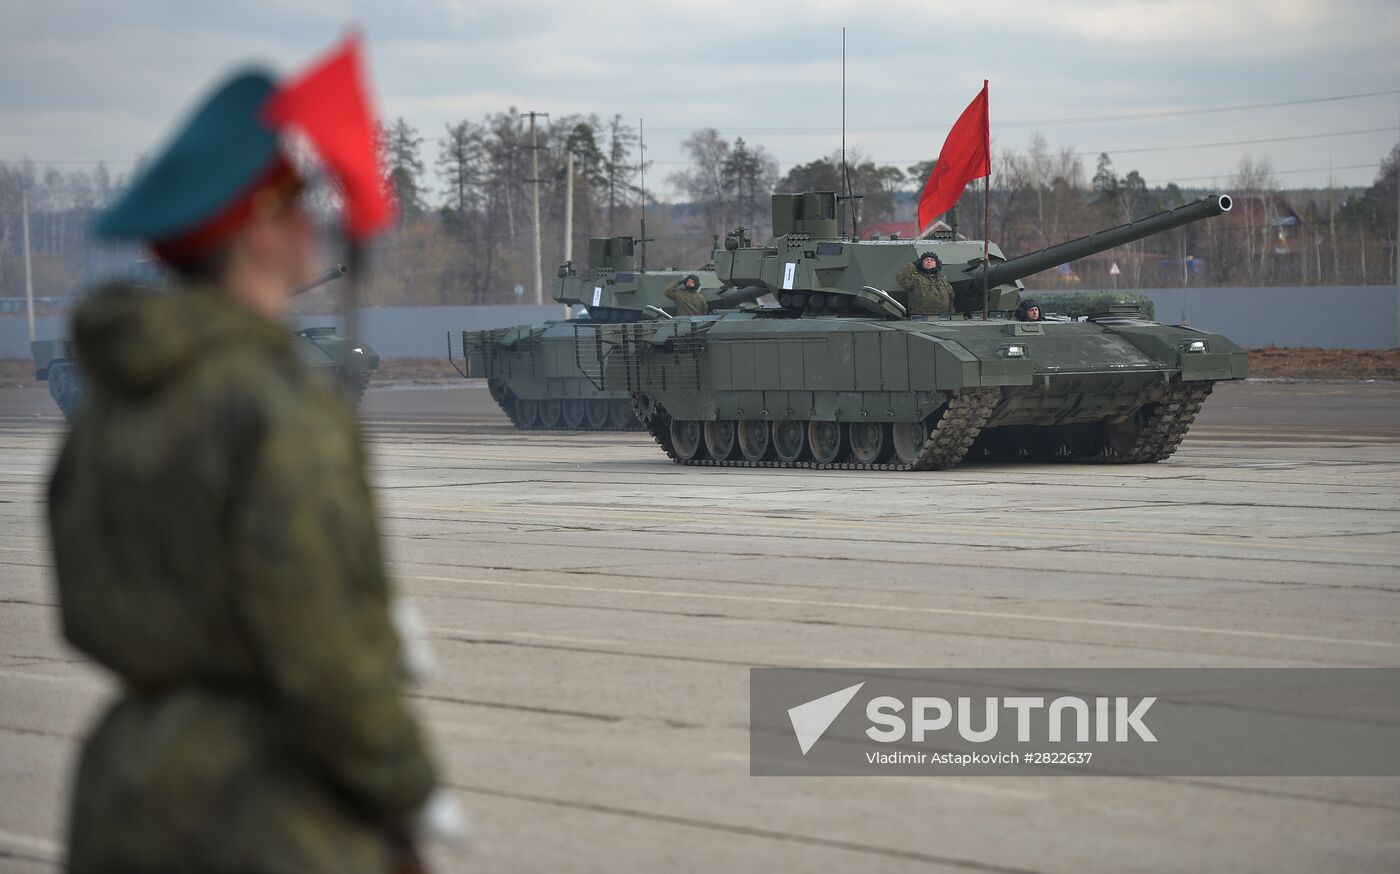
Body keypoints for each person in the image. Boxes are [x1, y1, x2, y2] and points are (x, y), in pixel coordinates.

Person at [47, 67, 440, 873]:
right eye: (298, 207)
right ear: (261, 231)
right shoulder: (271, 404)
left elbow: (83, 608)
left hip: (124, 785)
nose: (311, 229)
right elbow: (324, 650)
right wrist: (405, 784)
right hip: (267, 809)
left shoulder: (116, 401)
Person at [895, 250, 954, 316]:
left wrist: (952, 315)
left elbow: (951, 299)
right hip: (920, 317)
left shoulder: (943, 279)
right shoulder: (915, 278)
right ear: (921, 263)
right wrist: (912, 265)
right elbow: (901, 278)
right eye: (926, 260)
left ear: (936, 264)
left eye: (932, 260)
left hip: (943, 317)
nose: (929, 261)